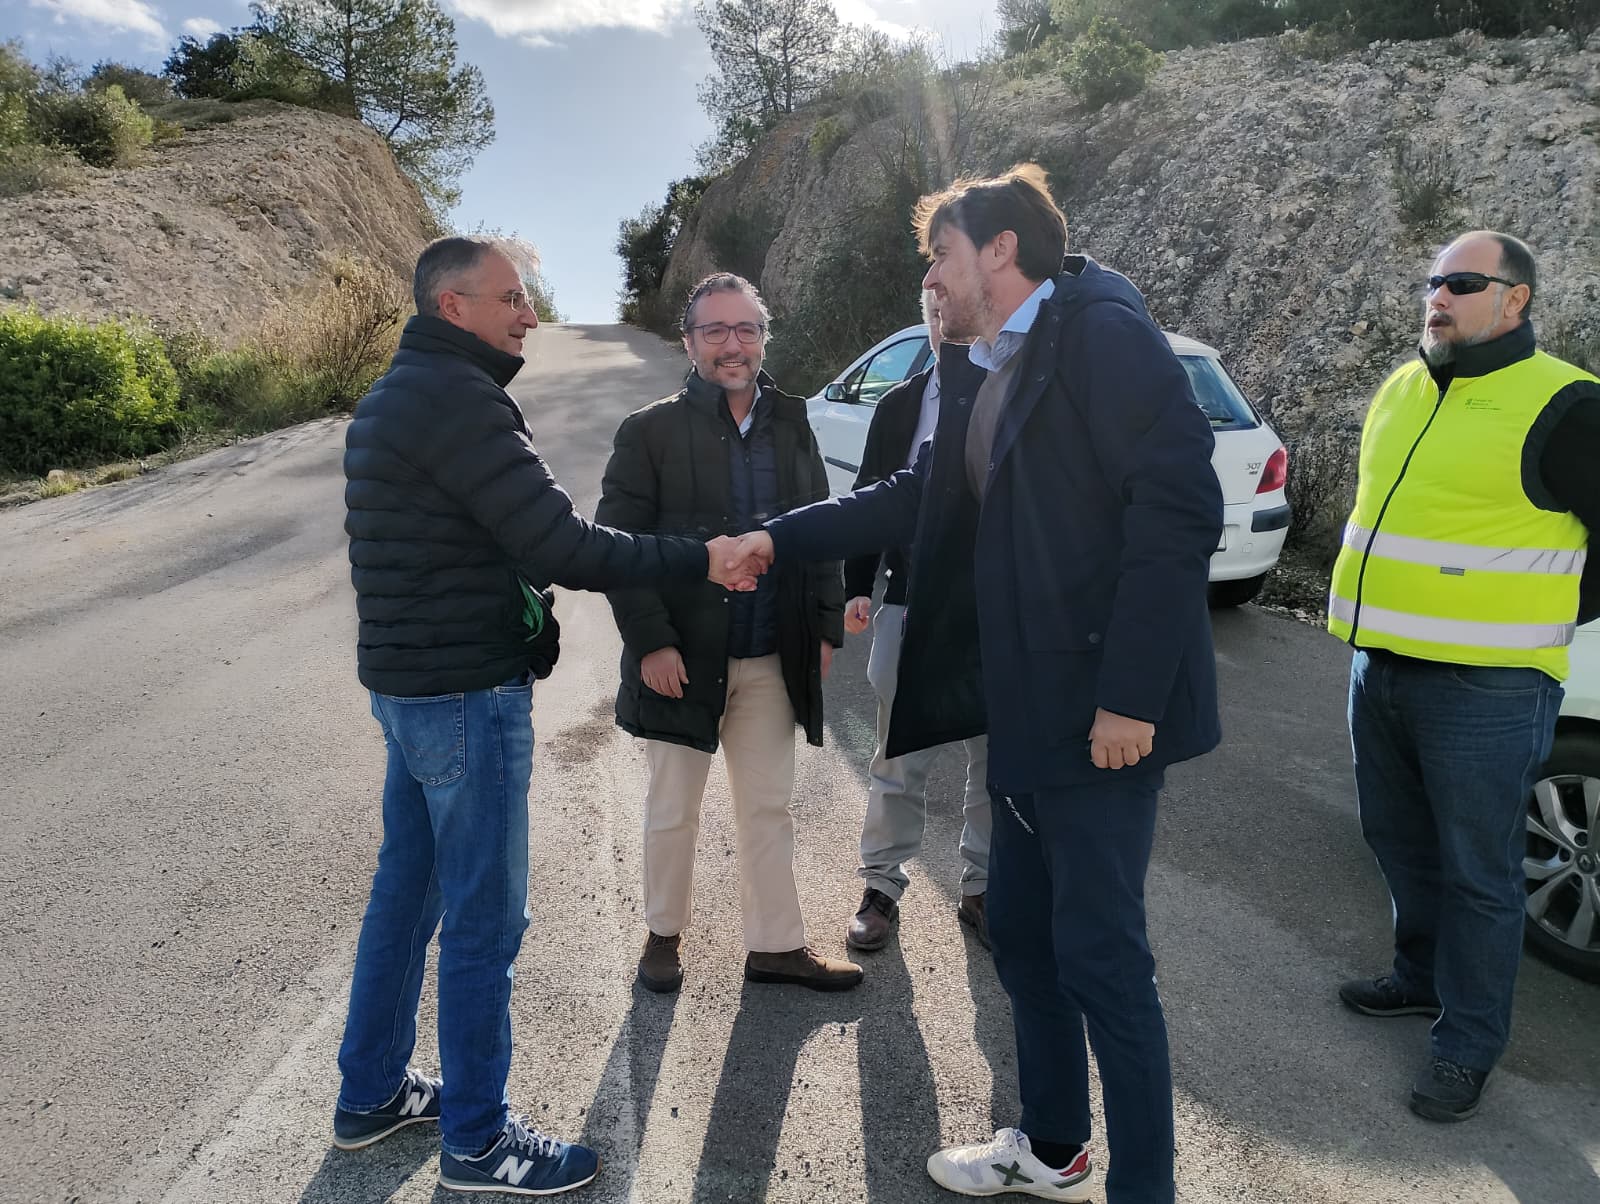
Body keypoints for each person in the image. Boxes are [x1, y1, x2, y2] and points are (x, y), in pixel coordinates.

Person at [728, 164, 1223, 1204]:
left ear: (1000, 249)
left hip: (1100, 719)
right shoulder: (986, 362)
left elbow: (1176, 510)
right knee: (1031, 946)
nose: (931, 277)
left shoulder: (1100, 333)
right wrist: (774, 539)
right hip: (1023, 707)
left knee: (1104, 961)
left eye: (940, 254)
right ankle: (1052, 1147)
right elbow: (908, 495)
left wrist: (1131, 695)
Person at [337, 237, 755, 1197]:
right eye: (511, 299)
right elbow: (560, 541)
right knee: (485, 919)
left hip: (409, 688)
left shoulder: (403, 392)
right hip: (465, 696)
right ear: (453, 308)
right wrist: (701, 558)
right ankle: (479, 1142)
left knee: (408, 895)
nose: (529, 314)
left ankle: (369, 1093)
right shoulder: (456, 399)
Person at [1330, 230, 1600, 1122]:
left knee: (1480, 872)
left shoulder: (1567, 402)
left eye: (1462, 282)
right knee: (1398, 842)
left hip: (1489, 686)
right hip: (1382, 667)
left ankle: (1467, 1044)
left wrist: (1547, 610)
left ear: (1516, 300)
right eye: (1432, 282)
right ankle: (1417, 977)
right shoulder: (1405, 385)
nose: (1437, 296)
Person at [595, 271, 860, 995]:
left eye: (746, 329)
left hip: (773, 649)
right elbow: (619, 548)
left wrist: (825, 625)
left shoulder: (792, 421)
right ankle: (662, 937)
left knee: (768, 806)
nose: (732, 344)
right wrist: (650, 640)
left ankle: (776, 946)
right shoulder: (648, 430)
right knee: (673, 808)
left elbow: (822, 532)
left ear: (763, 338)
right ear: (688, 343)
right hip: (682, 655)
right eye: (714, 330)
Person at [841, 288, 993, 953]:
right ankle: (881, 885)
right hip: (909, 602)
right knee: (898, 755)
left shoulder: (1008, 398)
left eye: (951, 310)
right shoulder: (899, 406)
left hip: (994, 613)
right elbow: (871, 498)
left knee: (995, 762)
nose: (943, 325)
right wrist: (856, 586)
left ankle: (983, 888)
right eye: (931, 313)